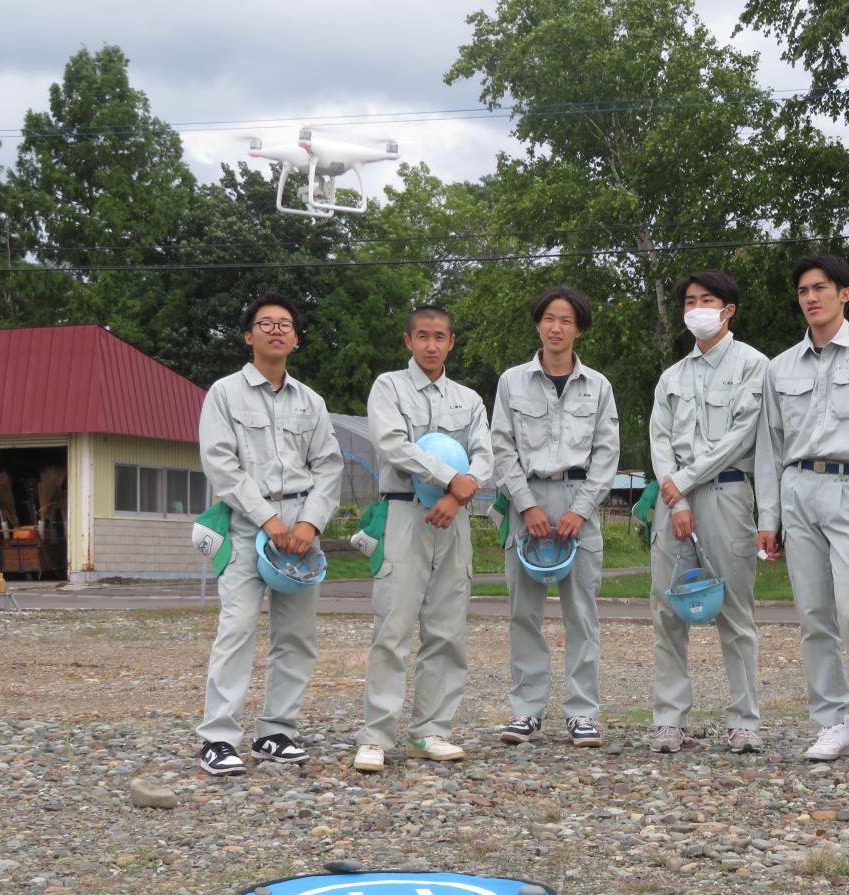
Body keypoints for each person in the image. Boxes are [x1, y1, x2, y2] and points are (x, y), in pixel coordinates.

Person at [754, 255, 849, 763]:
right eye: (802, 290)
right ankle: (832, 721)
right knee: (814, 614)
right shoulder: (781, 367)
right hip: (798, 489)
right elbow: (769, 448)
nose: (810, 297)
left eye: (820, 288)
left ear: (845, 294)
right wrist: (768, 519)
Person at [196, 291, 343, 775]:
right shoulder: (224, 394)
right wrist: (268, 519)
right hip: (246, 529)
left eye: (285, 324)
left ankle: (277, 732)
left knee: (297, 635)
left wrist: (309, 523)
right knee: (237, 629)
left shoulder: (312, 402)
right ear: (248, 335)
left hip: (301, 534)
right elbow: (221, 464)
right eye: (265, 323)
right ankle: (218, 738)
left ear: (296, 339)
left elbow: (328, 466)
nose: (276, 329)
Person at [353, 306, 493, 772]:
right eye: (422, 336)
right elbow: (393, 444)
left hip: (455, 519)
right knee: (392, 626)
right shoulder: (389, 387)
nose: (431, 345)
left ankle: (432, 731)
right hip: (403, 513)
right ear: (407, 340)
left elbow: (484, 458)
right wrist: (453, 478)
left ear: (452, 342)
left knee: (448, 629)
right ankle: (376, 736)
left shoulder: (469, 400)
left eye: (440, 337)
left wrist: (457, 495)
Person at [490, 286, 620, 748]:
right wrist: (525, 505)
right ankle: (526, 711)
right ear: (538, 324)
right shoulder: (511, 382)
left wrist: (581, 511)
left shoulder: (598, 386)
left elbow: (607, 453)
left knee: (581, 615)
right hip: (528, 498)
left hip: (578, 501)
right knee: (523, 612)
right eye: (548, 318)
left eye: (566, 320)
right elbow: (500, 445)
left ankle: (582, 713)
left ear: (579, 328)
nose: (556, 328)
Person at [647, 270, 768, 754]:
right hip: (672, 498)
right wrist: (673, 496)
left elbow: (741, 434)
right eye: (689, 301)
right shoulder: (671, 377)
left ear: (728, 310)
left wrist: (686, 483)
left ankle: (745, 720)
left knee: (735, 611)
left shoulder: (754, 366)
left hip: (727, 495)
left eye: (707, 300)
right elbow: (658, 439)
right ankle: (669, 719)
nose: (696, 308)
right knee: (667, 609)